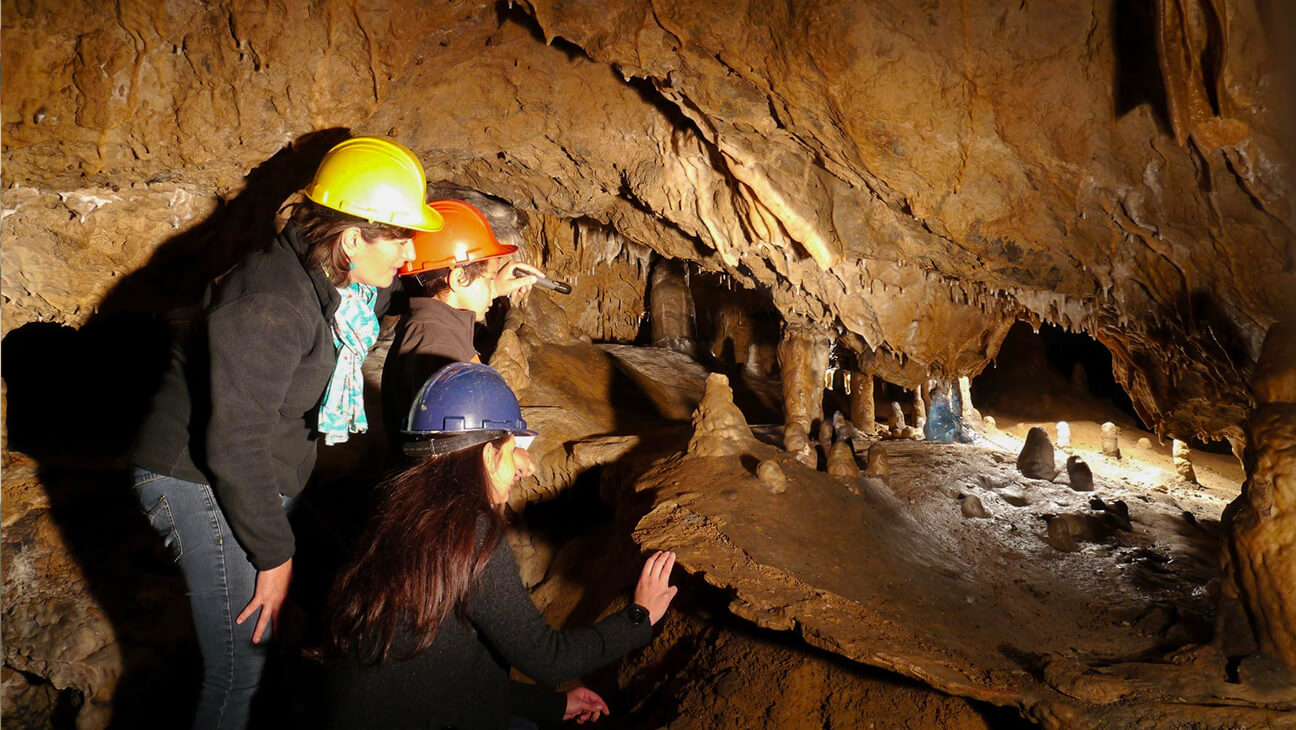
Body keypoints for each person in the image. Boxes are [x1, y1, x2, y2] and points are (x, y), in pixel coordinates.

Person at [130, 136, 446, 730]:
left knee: (269, 643)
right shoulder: (269, 303)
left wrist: (461, 276)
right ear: (353, 238)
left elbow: (392, 290)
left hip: (255, 467)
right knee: (236, 668)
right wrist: (275, 555)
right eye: (401, 236)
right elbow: (232, 444)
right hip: (195, 475)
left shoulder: (336, 279)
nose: (410, 252)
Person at [319, 362, 678, 729]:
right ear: (489, 456)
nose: (523, 468)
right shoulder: (469, 532)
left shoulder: (406, 511)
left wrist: (548, 706)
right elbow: (548, 658)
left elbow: (443, 673)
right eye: (511, 450)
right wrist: (639, 617)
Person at [380, 199, 544, 450]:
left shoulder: (436, 324)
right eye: (488, 279)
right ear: (458, 278)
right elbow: (454, 444)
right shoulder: (435, 344)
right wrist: (507, 454)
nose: (493, 289)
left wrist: (493, 288)